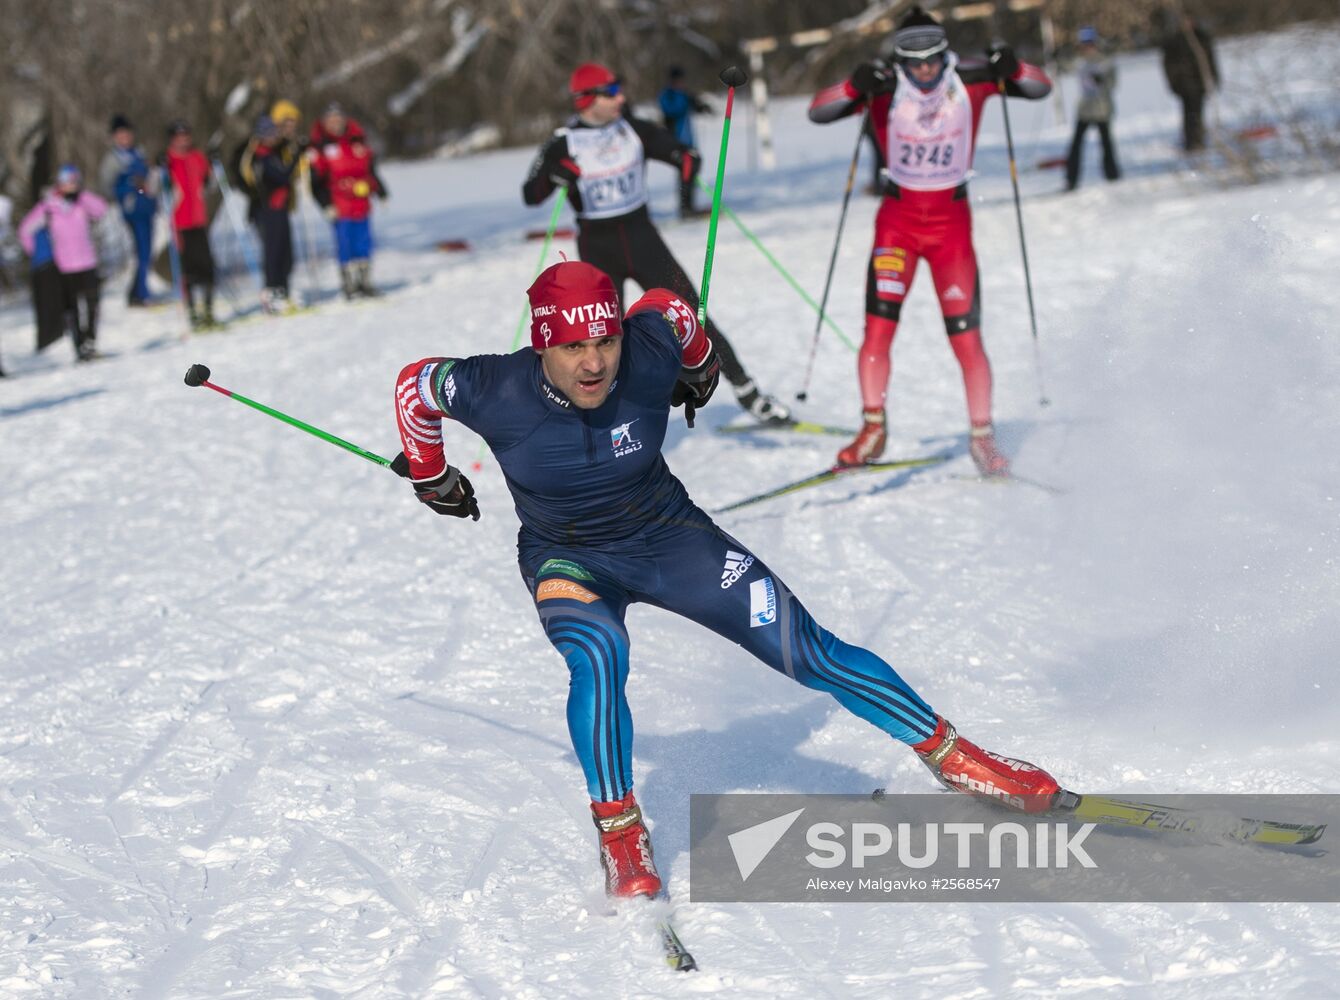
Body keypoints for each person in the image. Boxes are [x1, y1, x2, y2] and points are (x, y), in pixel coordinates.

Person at [390, 258, 1064, 898]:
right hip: (569, 558)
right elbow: (414, 385)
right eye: (571, 348)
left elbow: (672, 309)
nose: (593, 362)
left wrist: (701, 363)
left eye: (604, 340)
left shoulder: (646, 347)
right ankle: (621, 834)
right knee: (599, 654)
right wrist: (430, 474)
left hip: (670, 538)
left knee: (809, 650)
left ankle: (957, 758)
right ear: (542, 346)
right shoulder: (491, 388)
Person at [808, 6, 1051, 475]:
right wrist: (853, 86)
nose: (924, 71)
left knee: (967, 339)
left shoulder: (973, 79)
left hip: (951, 228)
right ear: (899, 60)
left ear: (945, 54)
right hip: (897, 224)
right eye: (913, 62)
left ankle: (982, 437)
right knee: (877, 331)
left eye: (933, 60)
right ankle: (873, 428)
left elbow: (1040, 87)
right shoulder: (883, 87)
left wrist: (1013, 68)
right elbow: (819, 111)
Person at [523, 62, 790, 426]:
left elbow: (675, 149)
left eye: (619, 89)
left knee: (692, 315)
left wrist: (685, 160)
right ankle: (603, 421)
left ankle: (747, 391)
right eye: (611, 92)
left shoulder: (633, 129)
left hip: (642, 238)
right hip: (598, 250)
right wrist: (554, 176)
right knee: (599, 337)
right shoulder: (562, 142)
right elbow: (531, 192)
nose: (621, 97)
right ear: (586, 100)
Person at [18, 165, 108, 362]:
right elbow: (25, 230)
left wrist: (82, 196)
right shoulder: (48, 207)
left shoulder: (82, 202)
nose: (71, 186)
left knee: (93, 303)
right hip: (64, 265)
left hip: (87, 261)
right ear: (59, 183)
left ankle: (90, 340)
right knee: (73, 308)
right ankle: (80, 348)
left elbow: (101, 209)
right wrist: (38, 253)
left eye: (75, 182)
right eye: (67, 182)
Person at [308, 102, 385, 299]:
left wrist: (381, 191)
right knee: (345, 242)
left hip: (361, 201)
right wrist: (325, 204)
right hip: (339, 204)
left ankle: (365, 281)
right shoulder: (320, 146)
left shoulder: (357, 140)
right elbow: (316, 181)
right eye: (331, 119)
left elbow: (370, 169)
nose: (335, 123)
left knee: (364, 241)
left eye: (338, 118)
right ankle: (349, 283)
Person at [239, 107, 304, 313]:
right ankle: (272, 291)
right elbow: (282, 176)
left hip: (281, 208)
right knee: (273, 252)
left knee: (286, 252)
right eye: (269, 134)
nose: (274, 137)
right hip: (267, 210)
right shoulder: (261, 157)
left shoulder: (274, 153)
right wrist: (296, 157)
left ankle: (283, 289)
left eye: (274, 133)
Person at [98, 114, 158, 306]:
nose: (125, 138)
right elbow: (107, 186)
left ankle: (138, 292)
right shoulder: (113, 159)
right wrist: (129, 185)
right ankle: (141, 293)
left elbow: (149, 177)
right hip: (132, 210)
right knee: (142, 251)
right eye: (120, 135)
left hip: (147, 206)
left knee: (147, 250)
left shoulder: (139, 152)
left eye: (127, 134)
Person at [163, 120, 218, 329]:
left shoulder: (197, 157)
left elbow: (209, 184)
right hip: (180, 223)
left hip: (199, 220)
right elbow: (153, 188)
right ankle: (193, 311)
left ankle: (208, 310)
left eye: (186, 134)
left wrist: (212, 165)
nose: (183, 139)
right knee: (189, 269)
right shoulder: (167, 161)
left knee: (207, 266)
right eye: (179, 136)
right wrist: (160, 170)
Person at [1065, 28, 1121, 191]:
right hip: (1085, 109)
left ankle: (1112, 175)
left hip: (1102, 108)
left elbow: (1113, 83)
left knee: (1106, 143)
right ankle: (1071, 179)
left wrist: (1101, 81)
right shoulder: (1080, 61)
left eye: (1089, 43)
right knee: (1076, 145)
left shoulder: (1105, 61)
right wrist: (1058, 56)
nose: (1087, 47)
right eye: (1083, 44)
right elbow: (1066, 66)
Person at [657, 66, 711, 217]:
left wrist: (700, 105)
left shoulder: (683, 94)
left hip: (689, 141)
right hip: (677, 142)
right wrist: (686, 98)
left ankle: (690, 205)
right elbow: (672, 110)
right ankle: (685, 208)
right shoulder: (668, 94)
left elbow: (694, 108)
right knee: (685, 173)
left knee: (693, 171)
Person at [1162, 13, 1219, 154]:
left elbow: (1210, 60)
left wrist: (1214, 77)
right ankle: (1190, 142)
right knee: (1188, 113)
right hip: (1183, 84)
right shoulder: (1174, 41)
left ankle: (1199, 140)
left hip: (1199, 82)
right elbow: (1169, 65)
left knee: (1198, 112)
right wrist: (1173, 83)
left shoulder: (1202, 38)